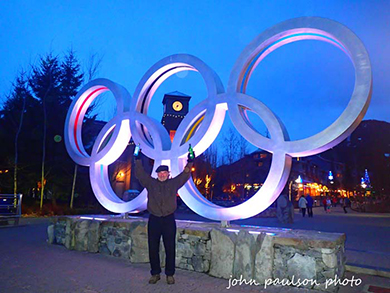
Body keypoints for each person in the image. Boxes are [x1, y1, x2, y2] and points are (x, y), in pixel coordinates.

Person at [134, 149, 194, 285]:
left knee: (170, 247)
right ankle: (155, 273)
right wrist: (137, 158)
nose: (162, 175)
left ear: (168, 174)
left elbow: (185, 175)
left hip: (168, 220)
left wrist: (190, 161)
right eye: (160, 173)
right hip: (154, 219)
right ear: (157, 174)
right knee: (153, 247)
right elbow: (140, 174)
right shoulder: (151, 183)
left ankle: (169, 274)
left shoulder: (173, 183)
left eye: (164, 173)